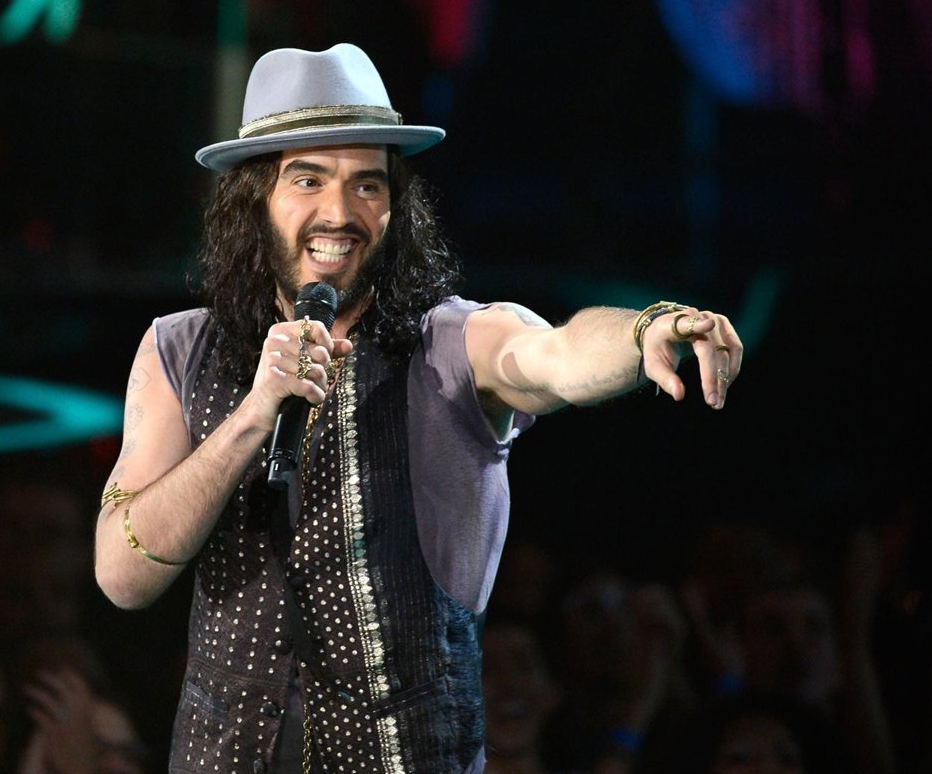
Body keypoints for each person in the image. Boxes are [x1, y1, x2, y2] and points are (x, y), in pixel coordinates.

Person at [92, 42, 743, 773]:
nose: (340, 213)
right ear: (253, 200)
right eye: (308, 180)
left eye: (367, 185)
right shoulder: (180, 350)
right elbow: (122, 575)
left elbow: (556, 354)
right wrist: (250, 418)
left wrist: (644, 330)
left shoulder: (452, 343)